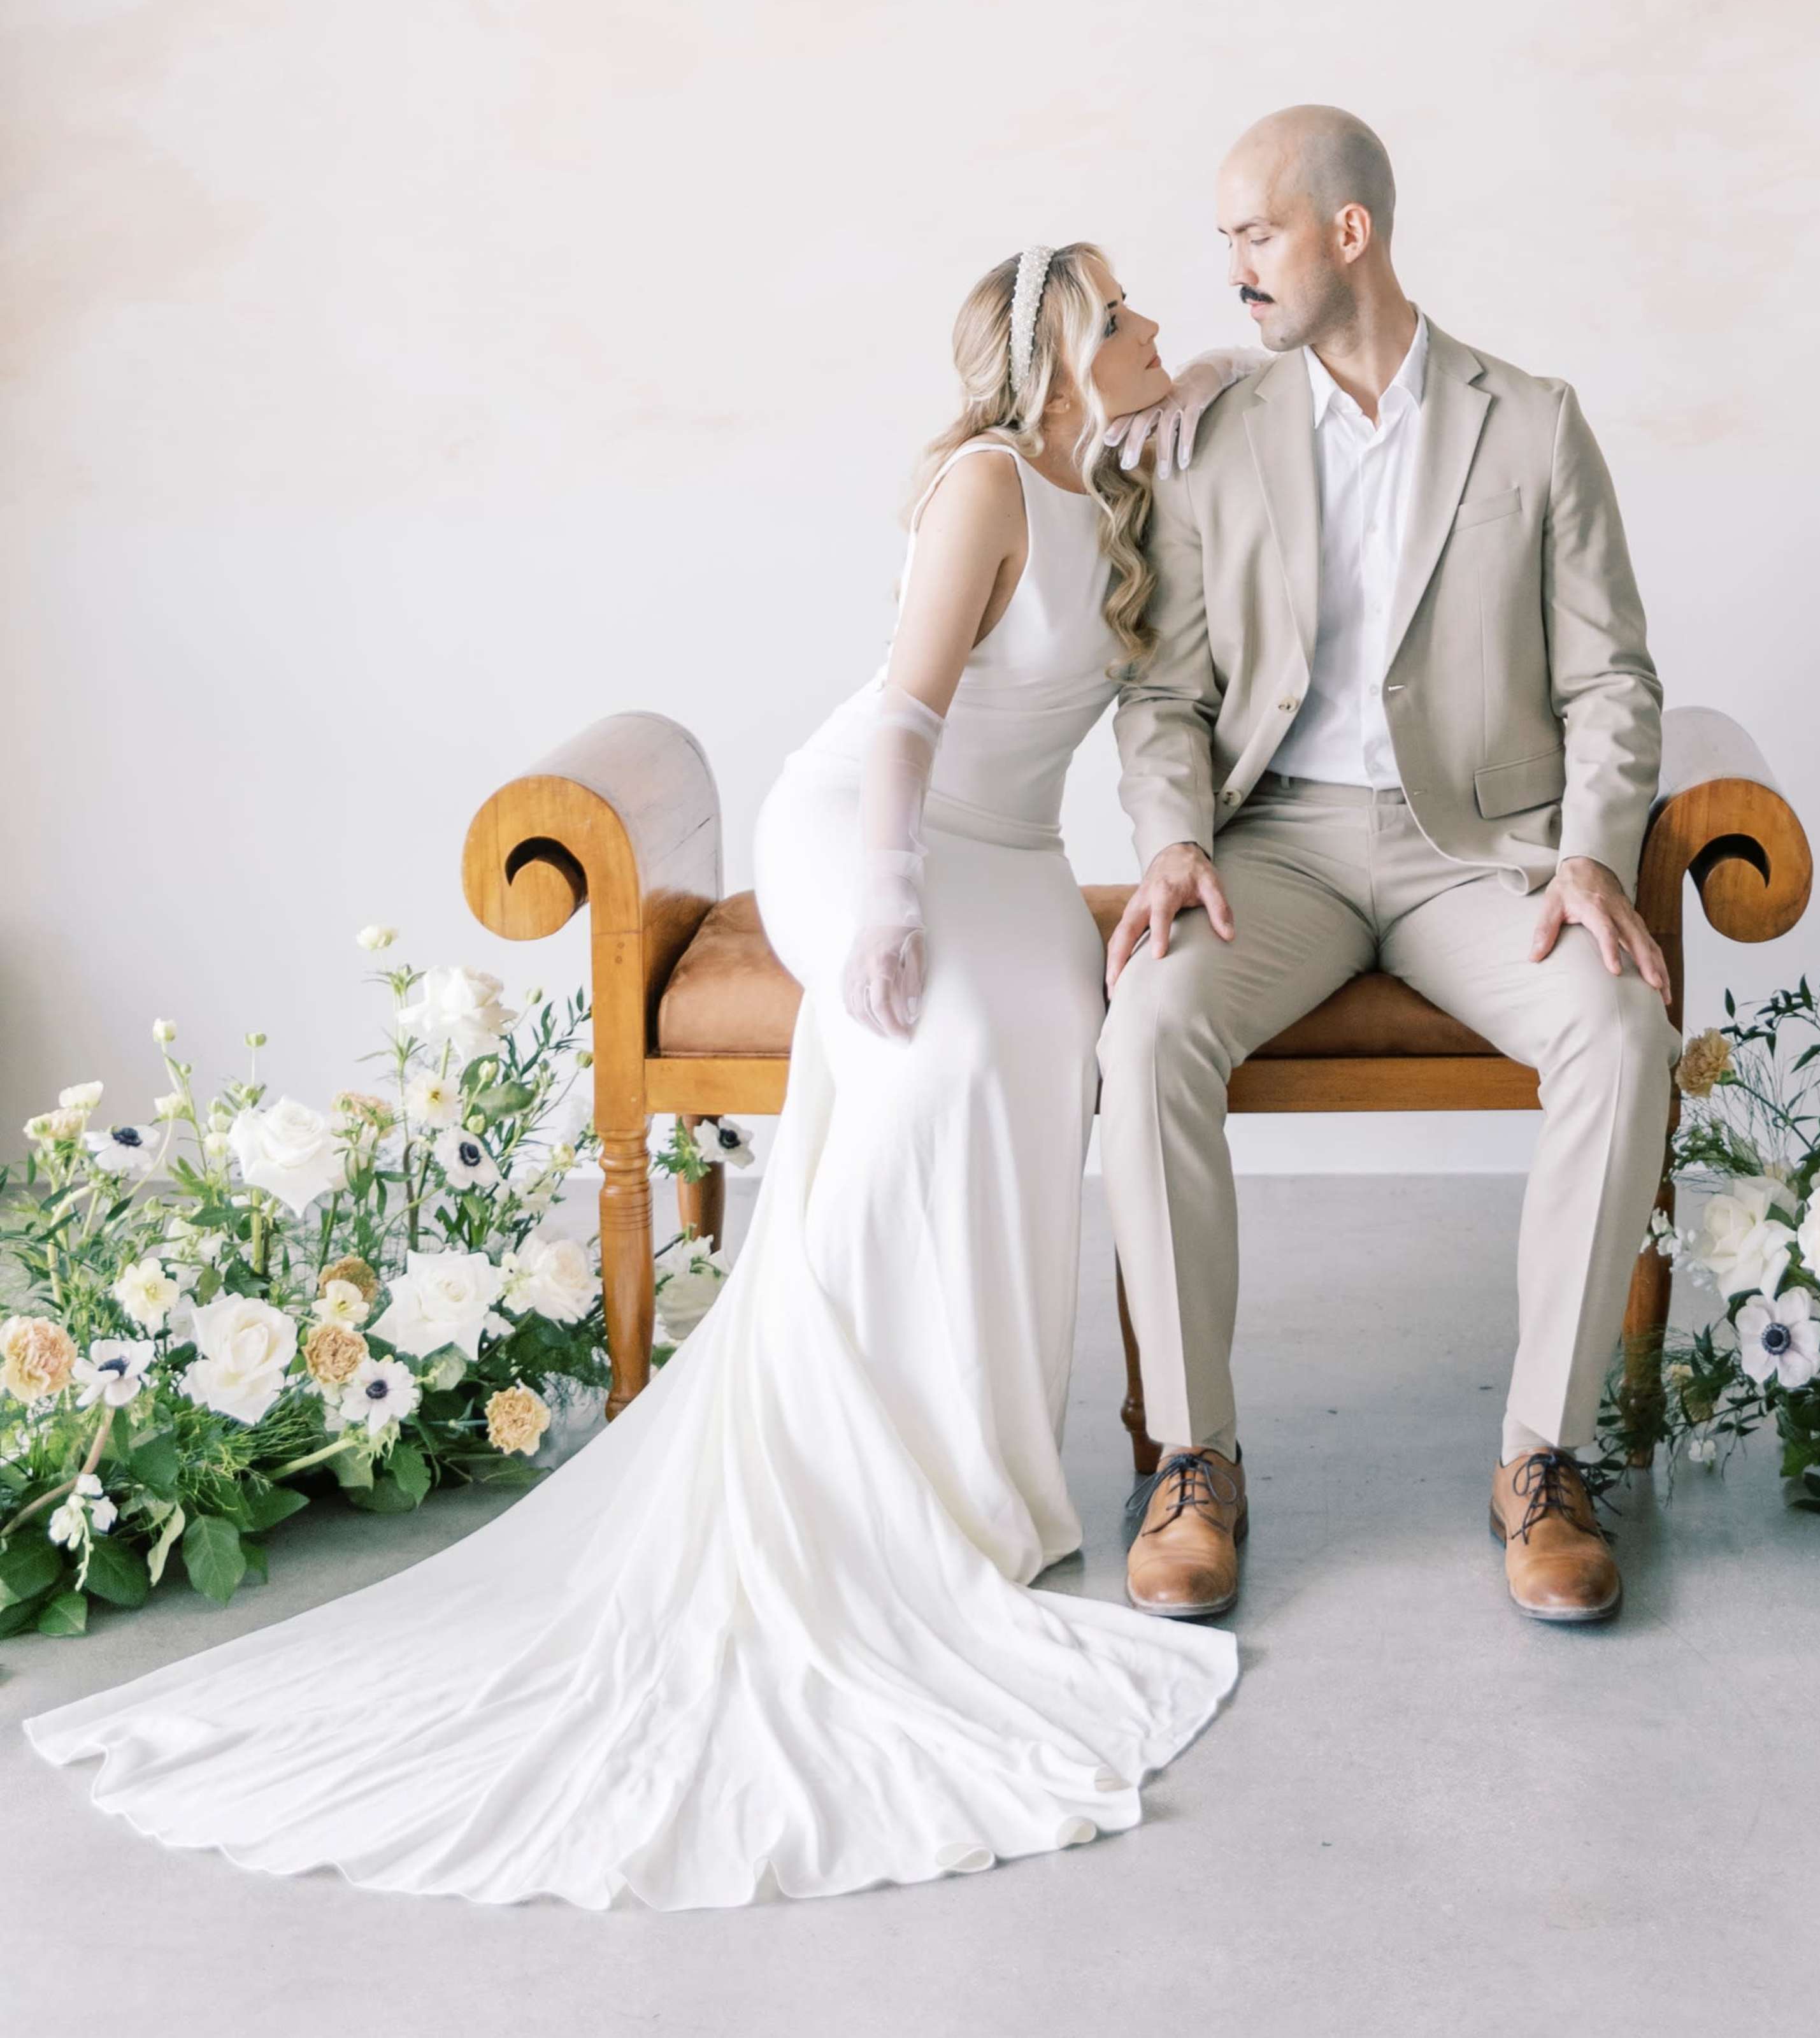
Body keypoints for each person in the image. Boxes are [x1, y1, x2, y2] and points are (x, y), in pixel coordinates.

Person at [29, 245, 1239, 1905]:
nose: (1158, 323)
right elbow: (902, 711)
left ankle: (991, 1462)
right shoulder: (984, 480)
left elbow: (1238, 416)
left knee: (1041, 1049)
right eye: (1124, 314)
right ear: (1055, 355)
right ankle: (869, 1477)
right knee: (929, 1050)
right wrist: (884, 895)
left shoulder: (1111, 473)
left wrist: (1221, 390)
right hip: (878, 827)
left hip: (1017, 855)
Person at [1100, 108, 1674, 1627]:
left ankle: (1543, 1460)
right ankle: (1192, 1458)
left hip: (1476, 855)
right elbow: (1162, 688)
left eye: (1255, 233)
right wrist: (1170, 836)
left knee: (1622, 1035)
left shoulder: (1533, 421)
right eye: (1225, 237)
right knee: (1148, 1025)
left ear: (1348, 232)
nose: (1230, 268)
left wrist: (1597, 857)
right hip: (1272, 843)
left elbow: (1615, 680)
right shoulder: (1217, 428)